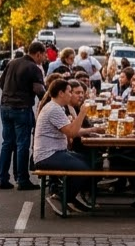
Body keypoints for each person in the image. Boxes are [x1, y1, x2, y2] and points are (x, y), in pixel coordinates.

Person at [34, 79, 103, 215]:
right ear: (61, 93)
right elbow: (71, 132)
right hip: (47, 155)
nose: (71, 95)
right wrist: (82, 113)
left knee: (90, 161)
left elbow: (71, 130)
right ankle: (62, 197)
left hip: (57, 152)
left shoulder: (57, 107)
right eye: (69, 92)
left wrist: (93, 130)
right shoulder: (53, 109)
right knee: (83, 168)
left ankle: (71, 197)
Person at [0, 41, 47, 190]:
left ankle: (3, 178)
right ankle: (22, 179)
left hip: (5, 106)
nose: (44, 58)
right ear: (38, 54)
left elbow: (1, 83)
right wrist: (48, 102)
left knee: (7, 143)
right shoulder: (34, 68)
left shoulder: (12, 63)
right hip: (21, 108)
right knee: (22, 144)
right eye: (43, 55)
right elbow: (39, 90)